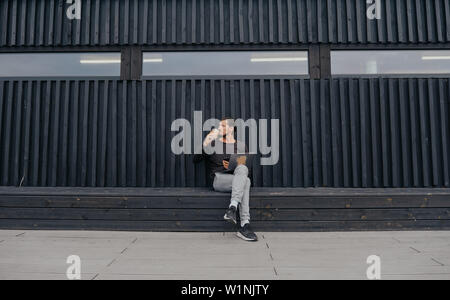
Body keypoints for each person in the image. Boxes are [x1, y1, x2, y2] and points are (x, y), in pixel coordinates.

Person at [193, 119, 258, 242]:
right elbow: (196, 160)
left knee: (245, 174)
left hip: (236, 179)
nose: (219, 127)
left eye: (223, 125)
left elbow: (247, 169)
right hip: (218, 179)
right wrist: (206, 141)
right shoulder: (213, 144)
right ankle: (244, 224)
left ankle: (234, 210)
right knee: (246, 182)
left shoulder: (240, 145)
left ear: (231, 128)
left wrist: (234, 165)